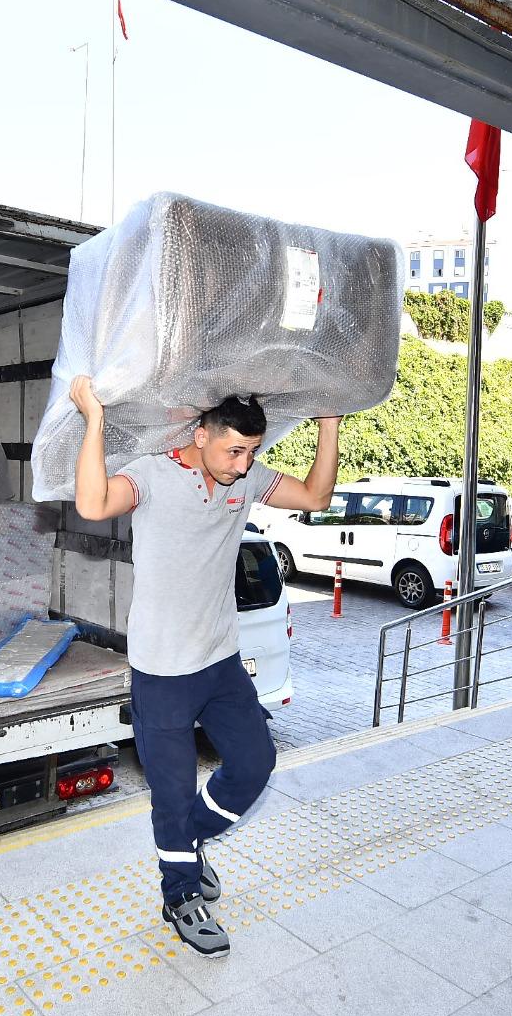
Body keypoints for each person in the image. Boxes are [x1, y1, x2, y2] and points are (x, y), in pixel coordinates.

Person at [70, 376, 339, 957]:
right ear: (201, 435)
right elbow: (92, 504)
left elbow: (317, 497)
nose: (243, 466)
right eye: (233, 452)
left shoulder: (247, 480)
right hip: (162, 669)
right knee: (169, 791)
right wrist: (93, 417)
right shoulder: (152, 473)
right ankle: (181, 894)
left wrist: (328, 421)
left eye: (252, 452)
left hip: (220, 660)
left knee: (255, 761)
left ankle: (189, 841)